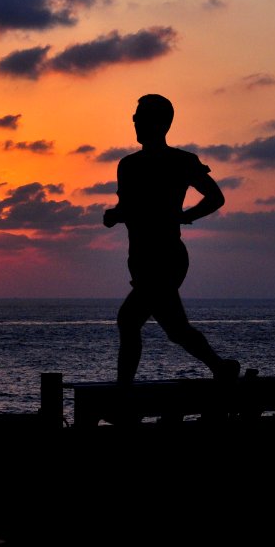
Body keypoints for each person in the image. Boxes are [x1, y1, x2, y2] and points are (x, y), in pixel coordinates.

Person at [104, 94, 240, 384]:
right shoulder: (127, 165)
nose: (136, 123)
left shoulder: (181, 161)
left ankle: (123, 397)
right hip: (140, 258)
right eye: (135, 118)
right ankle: (222, 368)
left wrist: (185, 216)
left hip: (166, 257)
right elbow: (129, 207)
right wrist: (116, 215)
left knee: (128, 321)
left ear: (161, 124)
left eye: (142, 118)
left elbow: (215, 197)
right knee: (176, 329)